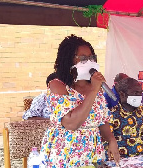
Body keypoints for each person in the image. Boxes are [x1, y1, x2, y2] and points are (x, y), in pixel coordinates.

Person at [40, 35, 120, 167]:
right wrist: (93, 91)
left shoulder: (96, 87)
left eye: (91, 57)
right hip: (65, 155)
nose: (89, 61)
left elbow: (102, 119)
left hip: (93, 153)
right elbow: (71, 123)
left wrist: (111, 140)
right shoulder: (57, 86)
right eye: (83, 58)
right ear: (68, 60)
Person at [109, 77, 143, 158]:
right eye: (135, 93)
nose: (139, 96)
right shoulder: (112, 115)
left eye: (140, 93)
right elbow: (108, 147)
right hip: (124, 162)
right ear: (122, 94)